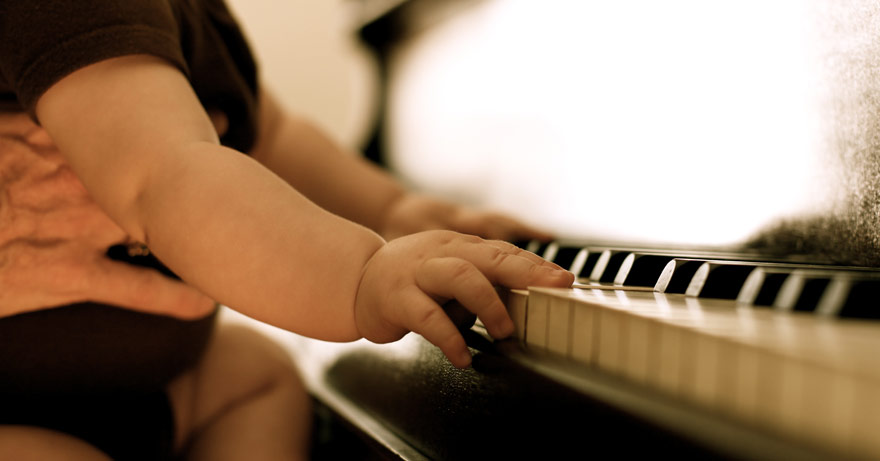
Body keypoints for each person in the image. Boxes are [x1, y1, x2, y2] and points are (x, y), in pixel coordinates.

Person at [0, 1, 574, 460]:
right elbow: (164, 179)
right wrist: (359, 277)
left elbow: (272, 134)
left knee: (257, 376)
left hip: (166, 386)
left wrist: (393, 208)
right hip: (25, 417)